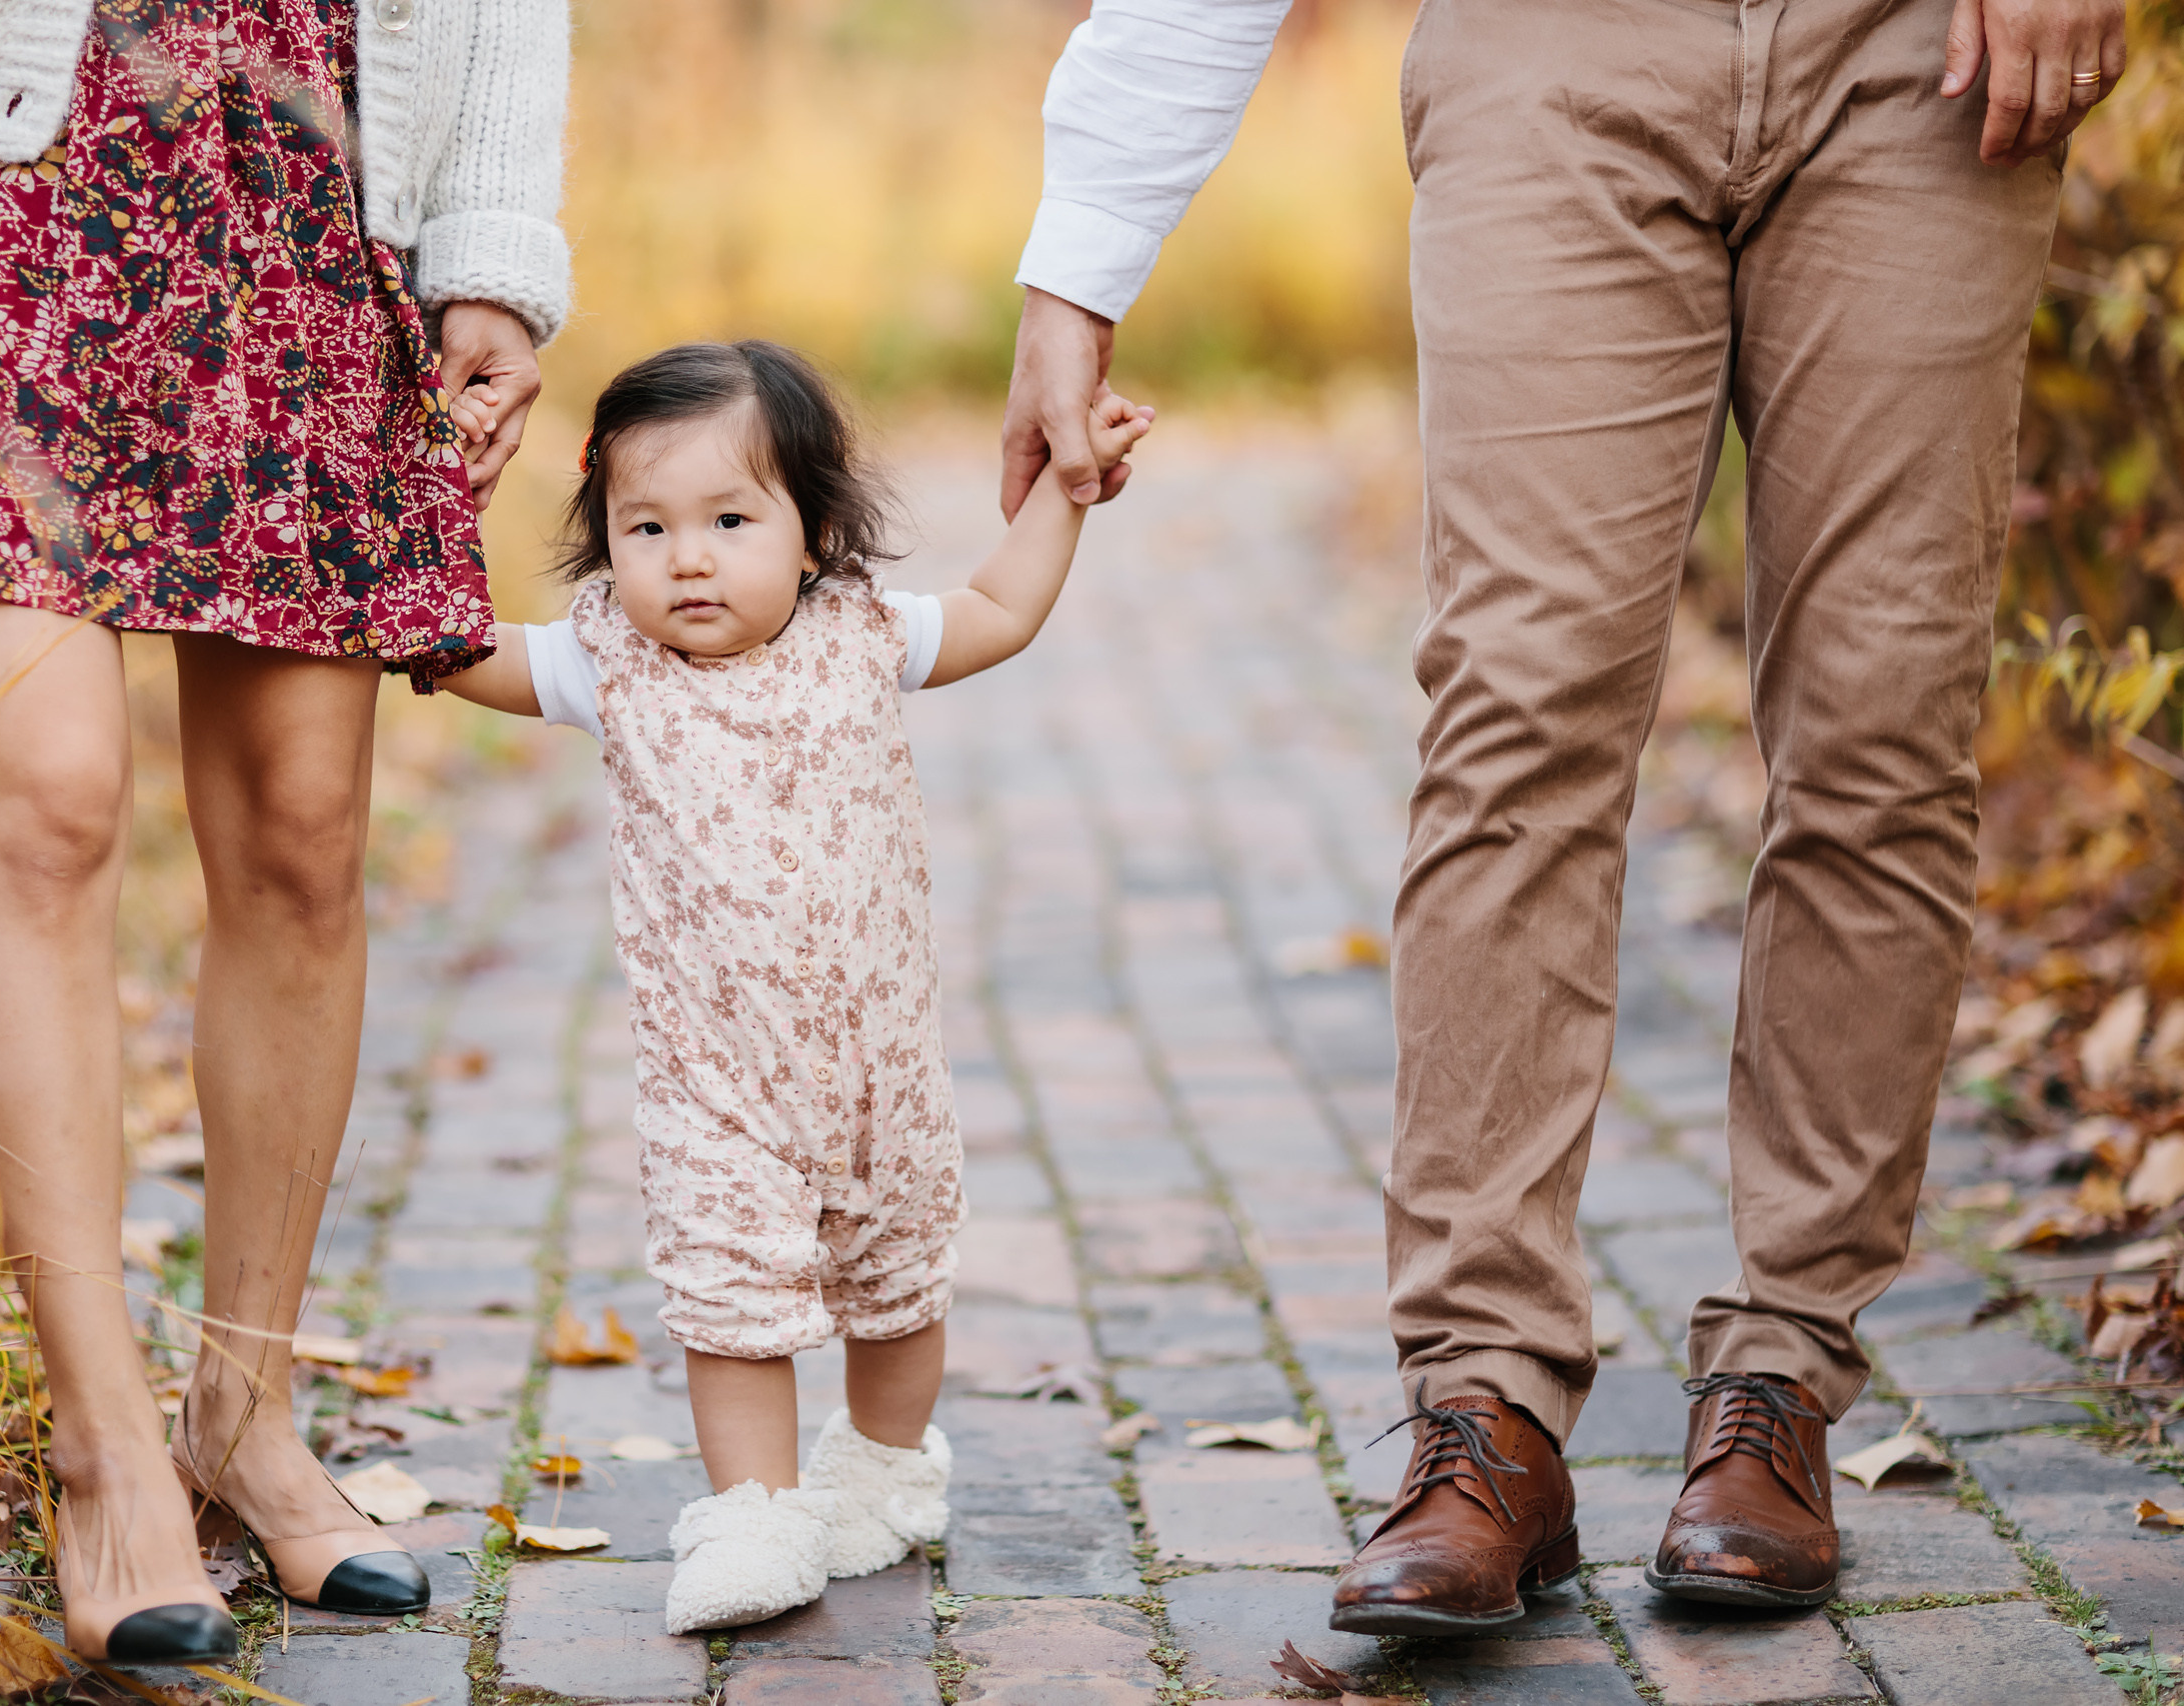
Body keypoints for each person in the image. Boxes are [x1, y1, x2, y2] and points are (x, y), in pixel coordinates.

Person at [1000, 0, 2125, 1631]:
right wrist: (1081, 257)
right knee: (1517, 713)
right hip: (1556, 54)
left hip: (1921, 59)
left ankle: (1781, 1386)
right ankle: (1486, 1417)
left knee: (1884, 718)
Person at [0, 0, 569, 1665]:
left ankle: (243, 1414)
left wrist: (497, 240)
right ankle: (104, 1453)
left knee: (303, 832)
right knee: (44, 805)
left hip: (305, 168)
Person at [440, 340, 1150, 1632]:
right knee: (731, 1296)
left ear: (815, 534)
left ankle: (883, 1470)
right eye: (643, 526)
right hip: (715, 1078)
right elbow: (453, 652)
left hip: (878, 1064)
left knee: (897, 1278)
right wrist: (420, 530)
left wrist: (1066, 488)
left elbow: (999, 610)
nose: (687, 557)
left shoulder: (862, 634)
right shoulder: (609, 659)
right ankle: (754, 1513)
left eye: (727, 519)